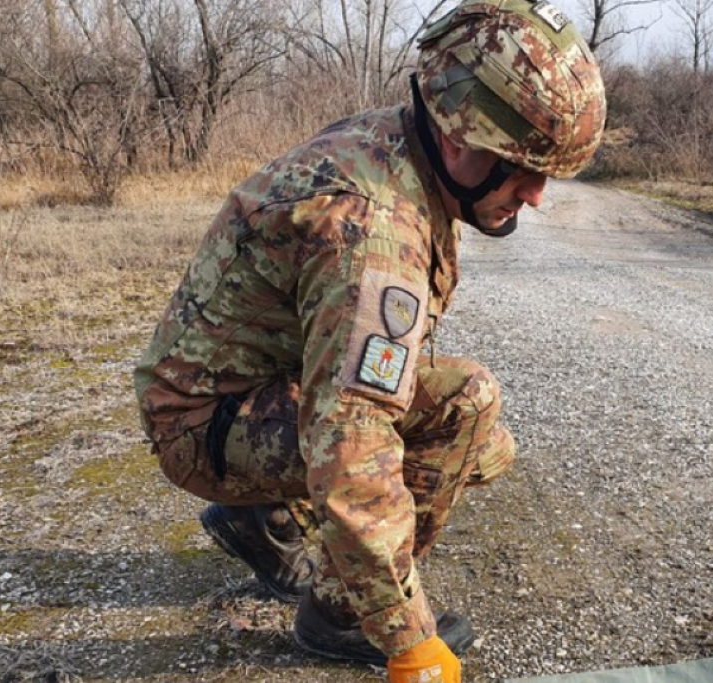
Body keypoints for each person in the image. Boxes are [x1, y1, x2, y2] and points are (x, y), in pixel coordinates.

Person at [132, 0, 606, 680]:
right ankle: (339, 611)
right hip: (203, 423)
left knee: (473, 429)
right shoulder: (373, 227)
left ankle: (264, 518)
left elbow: (369, 358)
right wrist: (406, 636)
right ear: (458, 140)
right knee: (461, 408)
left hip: (238, 391)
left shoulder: (398, 146)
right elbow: (355, 443)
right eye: (523, 168)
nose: (534, 196)